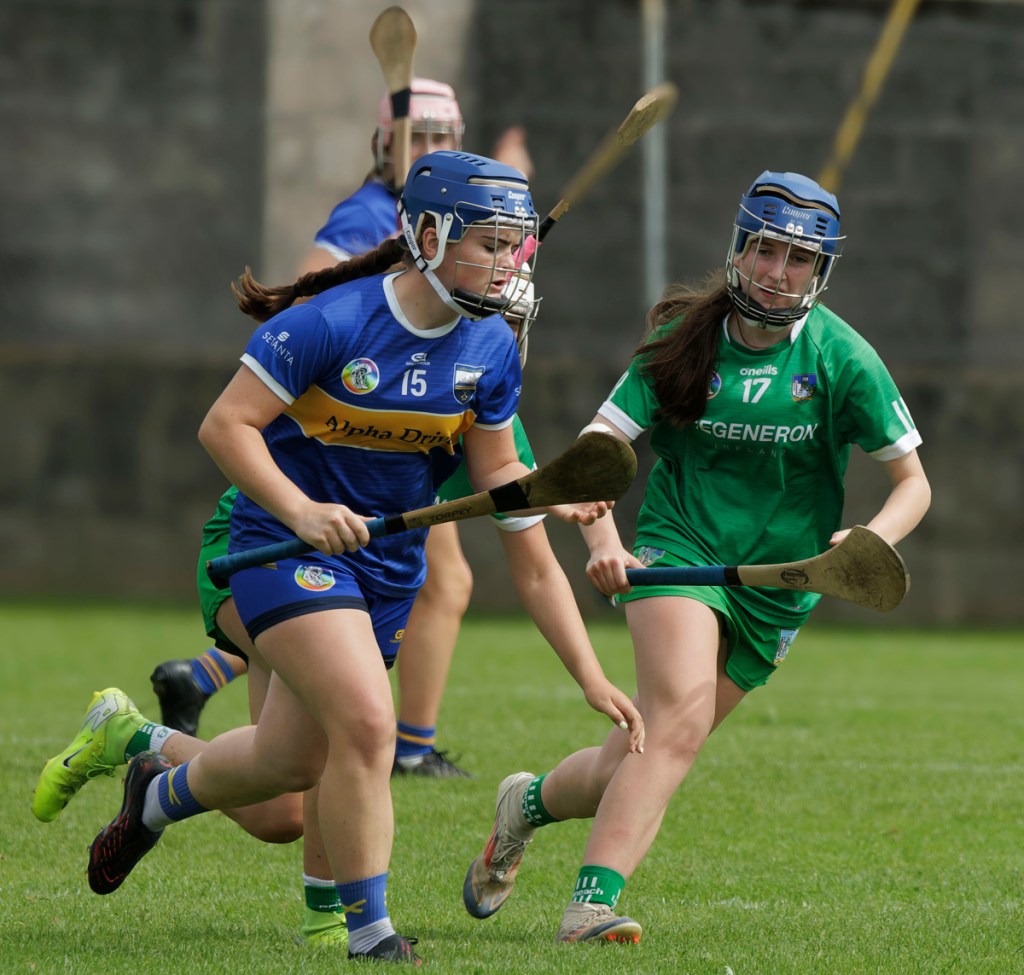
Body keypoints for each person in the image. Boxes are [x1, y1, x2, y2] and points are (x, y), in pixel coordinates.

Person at [83, 150, 643, 966]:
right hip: (279, 546)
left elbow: (504, 492)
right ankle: (371, 932)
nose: (510, 265)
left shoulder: (490, 349)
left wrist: (554, 521)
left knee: (288, 764)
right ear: (427, 236)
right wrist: (303, 511)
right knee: (370, 722)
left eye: (515, 246)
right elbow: (224, 425)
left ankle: (155, 793)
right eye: (490, 243)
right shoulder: (329, 323)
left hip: (386, 573)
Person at [460, 170, 932, 945]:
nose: (779, 272)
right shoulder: (682, 340)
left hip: (779, 583)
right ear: (739, 249)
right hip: (678, 552)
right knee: (677, 720)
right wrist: (604, 541)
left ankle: (526, 802)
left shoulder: (842, 357)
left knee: (630, 759)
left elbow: (914, 482)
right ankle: (590, 906)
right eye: (766, 250)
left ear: (821, 271)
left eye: (800, 259)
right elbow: (600, 450)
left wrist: (871, 536)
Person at [150, 78, 534, 779]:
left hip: (412, 429)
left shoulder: (477, 302)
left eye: (443, 136)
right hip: (305, 485)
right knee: (432, 597)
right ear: (385, 145)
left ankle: (156, 732)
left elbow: (507, 470)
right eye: (418, 135)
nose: (429, 146)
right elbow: (312, 302)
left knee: (282, 801)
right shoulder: (366, 222)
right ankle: (408, 746)